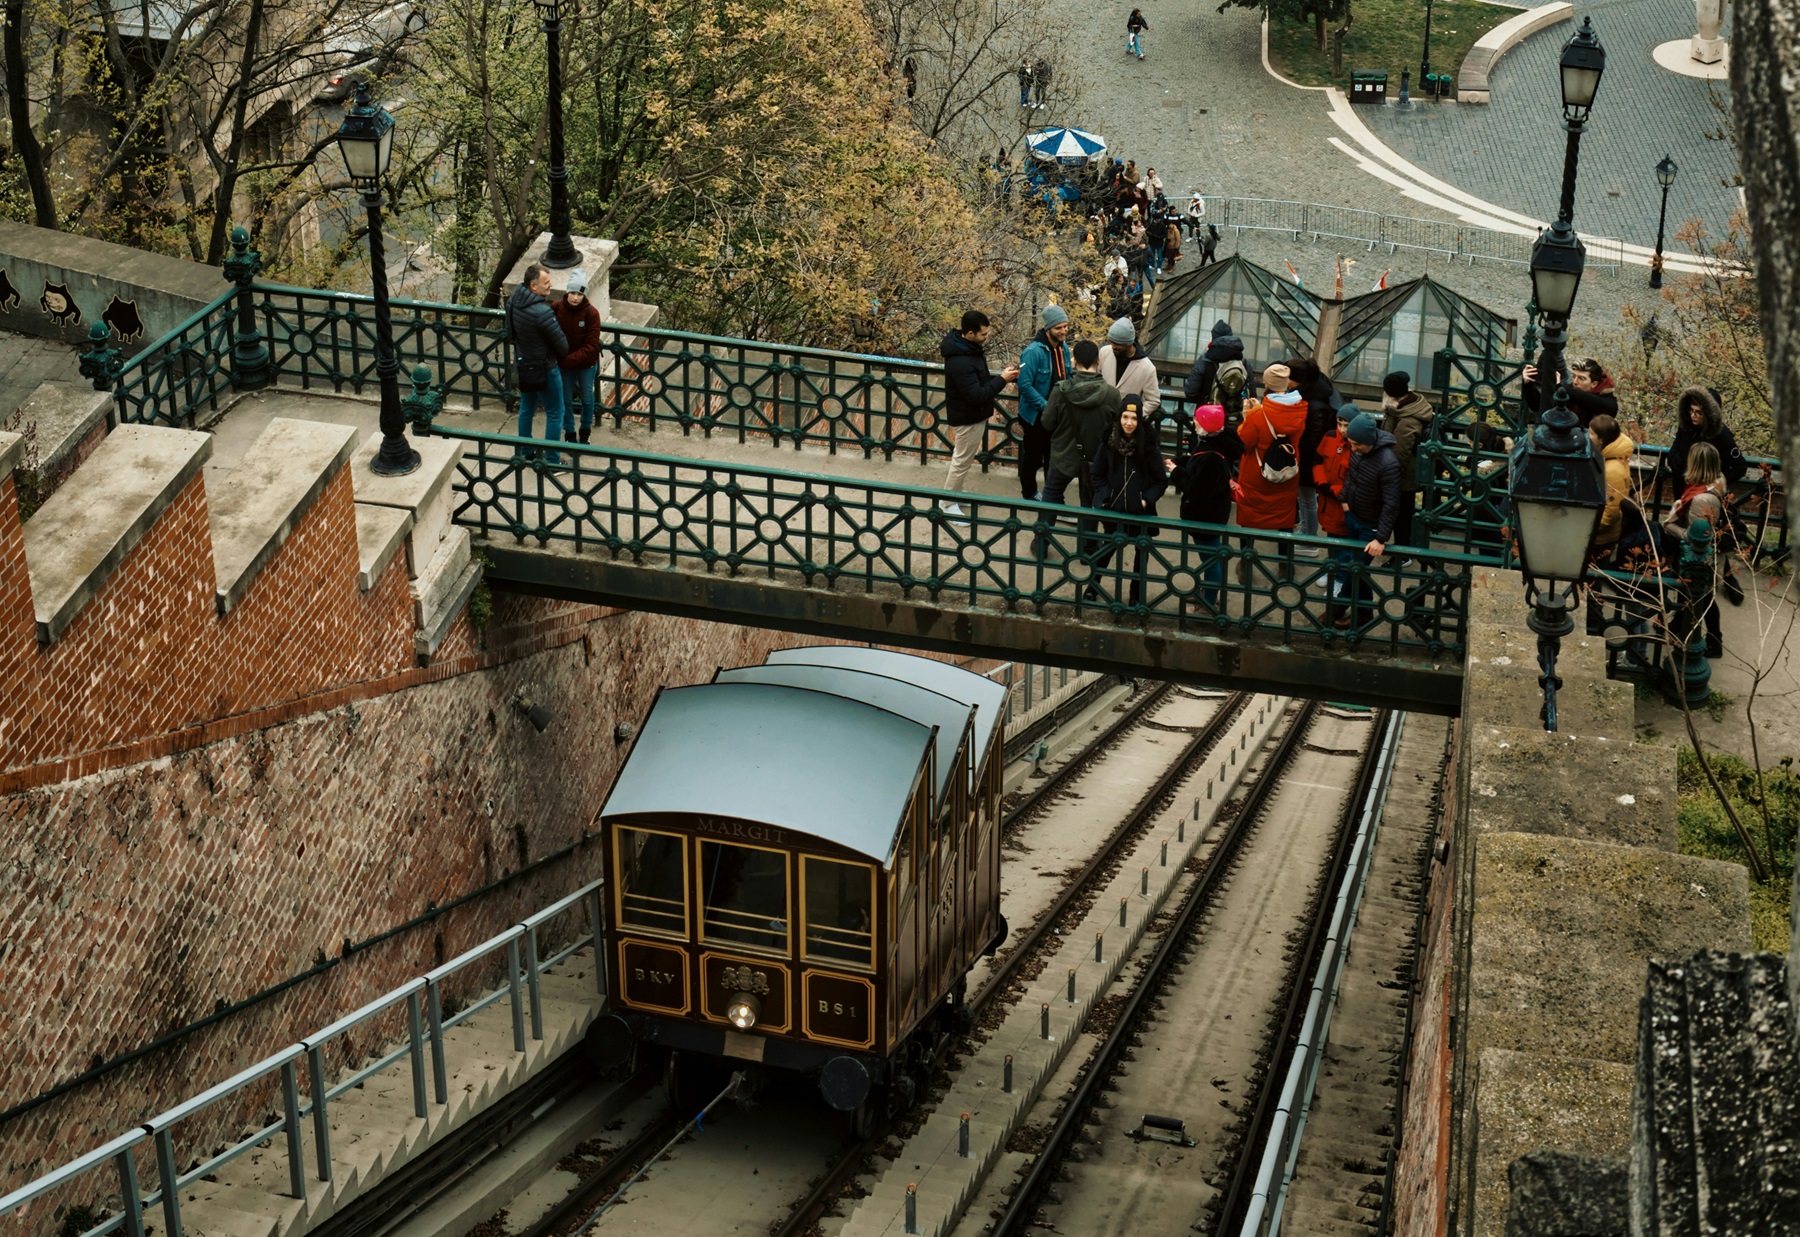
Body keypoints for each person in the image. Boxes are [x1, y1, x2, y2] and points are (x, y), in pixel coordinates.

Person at [1037, 338, 1120, 555]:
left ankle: (1041, 543)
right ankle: (1088, 549)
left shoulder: (1061, 390)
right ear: (1098, 361)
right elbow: (1116, 430)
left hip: (1063, 456)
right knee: (1088, 505)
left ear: (1074, 362)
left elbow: (1047, 422)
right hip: (1095, 460)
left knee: (1051, 498)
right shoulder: (1112, 395)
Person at [940, 309, 1019, 518]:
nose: (987, 337)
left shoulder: (967, 349)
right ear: (970, 333)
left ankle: (954, 493)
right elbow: (975, 395)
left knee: (963, 458)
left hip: (971, 414)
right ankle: (947, 503)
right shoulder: (961, 360)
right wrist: (1002, 379)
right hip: (968, 417)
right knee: (962, 460)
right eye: (983, 334)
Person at [1088, 397, 1168, 603]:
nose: (1129, 422)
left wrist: (1145, 500)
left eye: (1134, 418)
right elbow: (1097, 474)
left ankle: (1135, 596)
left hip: (1140, 512)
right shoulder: (1108, 443)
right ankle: (1092, 587)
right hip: (1114, 509)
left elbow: (1160, 481)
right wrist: (1108, 496)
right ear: (1119, 418)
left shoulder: (1149, 447)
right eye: (1125, 417)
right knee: (1105, 550)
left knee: (1141, 556)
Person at [1233, 363, 1307, 578]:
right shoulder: (1301, 409)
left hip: (1257, 476)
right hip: (1287, 474)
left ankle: (1246, 563)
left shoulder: (1258, 415)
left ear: (1267, 384)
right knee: (1285, 519)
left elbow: (1245, 444)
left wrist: (1247, 417)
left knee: (1249, 520)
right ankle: (1285, 564)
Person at [1168, 403, 1244, 610]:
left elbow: (1195, 489)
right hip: (1214, 511)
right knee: (1211, 556)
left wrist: (1176, 472)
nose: (1193, 422)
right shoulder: (1219, 442)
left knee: (1210, 559)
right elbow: (1197, 464)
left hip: (1205, 515)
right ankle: (1208, 594)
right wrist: (1181, 462)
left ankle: (1209, 600)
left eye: (1197, 420)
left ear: (1205, 425)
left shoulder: (1210, 456)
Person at [1661, 441, 1729, 656]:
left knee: (1703, 597)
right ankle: (1677, 627)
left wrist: (1670, 526)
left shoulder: (1701, 499)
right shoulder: (1716, 481)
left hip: (1697, 557)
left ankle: (1713, 641)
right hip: (1706, 554)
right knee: (1694, 595)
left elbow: (1695, 537)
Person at [1337, 410, 1401, 628]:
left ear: (1368, 441)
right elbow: (1352, 477)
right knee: (1358, 570)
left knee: (1353, 568)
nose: (1352, 448)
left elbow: (1392, 503)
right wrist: (1345, 501)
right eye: (1350, 443)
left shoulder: (1388, 463)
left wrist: (1380, 538)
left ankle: (1335, 609)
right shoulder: (1359, 450)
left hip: (1370, 528)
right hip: (1354, 516)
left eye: (1356, 445)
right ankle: (1364, 614)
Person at [507, 263, 570, 464]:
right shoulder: (543, 312)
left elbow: (510, 335)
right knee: (555, 412)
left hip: (525, 364)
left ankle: (526, 452)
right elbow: (563, 346)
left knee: (527, 408)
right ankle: (552, 460)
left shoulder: (512, 302)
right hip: (546, 368)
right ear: (534, 286)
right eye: (546, 283)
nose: (550, 286)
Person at [1016, 304, 1073, 500]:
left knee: (1053, 457)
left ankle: (1052, 496)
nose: (1064, 331)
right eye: (1059, 328)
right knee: (1033, 457)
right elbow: (1024, 385)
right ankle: (1029, 492)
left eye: (1065, 326)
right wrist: (1047, 407)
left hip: (1056, 414)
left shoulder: (1063, 348)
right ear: (1048, 329)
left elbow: (1068, 375)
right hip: (1035, 415)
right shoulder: (1033, 352)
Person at [1379, 370, 1434, 550]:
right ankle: (1403, 547)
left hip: (1402, 475)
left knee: (1401, 513)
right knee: (1402, 511)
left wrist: (1386, 474)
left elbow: (1399, 452)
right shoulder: (1407, 407)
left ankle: (1404, 551)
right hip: (1403, 472)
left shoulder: (1408, 418)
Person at [1287, 357, 1341, 543]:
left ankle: (1308, 537)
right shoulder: (1318, 389)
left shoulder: (1313, 404)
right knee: (1306, 497)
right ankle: (1306, 532)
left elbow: (1313, 437)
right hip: (1313, 456)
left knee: (1307, 498)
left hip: (1309, 457)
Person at [1661, 385, 1748, 488]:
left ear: (1709, 414)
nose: (1693, 415)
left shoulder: (1722, 435)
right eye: (1691, 410)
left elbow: (1739, 467)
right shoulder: (1686, 426)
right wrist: (1676, 464)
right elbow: (1675, 449)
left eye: (1698, 412)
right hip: (1681, 489)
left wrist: (1713, 485)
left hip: (1704, 495)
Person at [1313, 405, 1355, 617]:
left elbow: (1357, 480)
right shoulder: (1330, 436)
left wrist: (1333, 490)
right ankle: (1333, 570)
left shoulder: (1357, 445)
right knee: (1332, 540)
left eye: (1346, 425)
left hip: (1342, 503)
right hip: (1328, 501)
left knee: (1345, 546)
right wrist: (1321, 483)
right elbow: (1318, 460)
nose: (1342, 429)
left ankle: (1340, 579)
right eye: (1340, 424)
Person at [552, 267, 602, 444]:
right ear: (567, 292)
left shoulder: (592, 313)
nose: (575, 297)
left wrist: (567, 360)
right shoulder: (557, 308)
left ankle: (585, 431)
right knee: (565, 399)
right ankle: (570, 433)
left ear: (584, 295)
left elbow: (591, 345)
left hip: (585, 364)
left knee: (587, 398)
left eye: (579, 294)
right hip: (564, 364)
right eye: (572, 292)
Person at [1588, 413, 1637, 566]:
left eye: (1591, 434)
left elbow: (1611, 512)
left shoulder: (1613, 470)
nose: (1587, 437)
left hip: (1601, 538)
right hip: (1599, 533)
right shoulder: (1610, 457)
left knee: (1592, 576)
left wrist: (1587, 526)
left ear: (1601, 440)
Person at [1522, 355, 1618, 427]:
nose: (1575, 382)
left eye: (1581, 378)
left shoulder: (1608, 403)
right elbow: (1538, 406)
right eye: (1574, 376)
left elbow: (1590, 402)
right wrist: (1528, 384)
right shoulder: (1571, 390)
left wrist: (1561, 387)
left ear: (1594, 384)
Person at [1098, 317, 1161, 423]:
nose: (1113, 347)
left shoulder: (1147, 368)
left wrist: (1132, 416)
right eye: (1111, 342)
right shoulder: (1104, 352)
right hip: (1101, 419)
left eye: (1117, 344)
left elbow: (1153, 401)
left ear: (1128, 344)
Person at [1183, 319, 1249, 414]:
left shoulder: (1204, 359)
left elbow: (1190, 392)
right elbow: (1251, 393)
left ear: (1213, 337)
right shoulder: (1243, 362)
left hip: (1208, 416)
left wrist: (1204, 400)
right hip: (1235, 417)